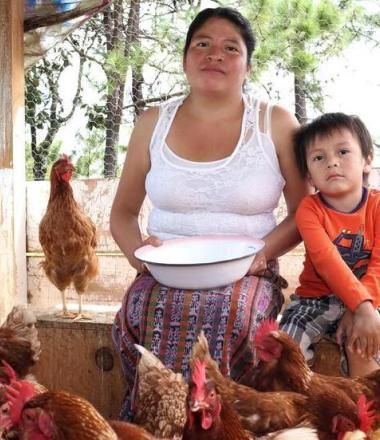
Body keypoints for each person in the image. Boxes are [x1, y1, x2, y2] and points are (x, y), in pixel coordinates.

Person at [110, 6, 308, 420]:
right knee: (139, 312)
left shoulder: (274, 122)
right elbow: (124, 214)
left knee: (228, 314)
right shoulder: (151, 123)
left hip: (247, 274)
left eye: (229, 48)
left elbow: (303, 211)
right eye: (202, 44)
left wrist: (262, 254)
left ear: (248, 67)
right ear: (185, 60)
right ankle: (152, 425)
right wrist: (140, 257)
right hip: (164, 273)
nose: (214, 54)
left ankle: (219, 425)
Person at [280, 112, 380, 377]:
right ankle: (295, 408)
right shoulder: (309, 210)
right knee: (284, 347)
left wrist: (362, 308)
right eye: (318, 157)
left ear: (366, 160)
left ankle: (366, 412)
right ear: (310, 176)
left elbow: (379, 267)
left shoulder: (378, 207)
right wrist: (360, 306)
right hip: (315, 300)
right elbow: (327, 262)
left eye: (343, 152)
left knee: (365, 342)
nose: (332, 162)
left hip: (370, 296)